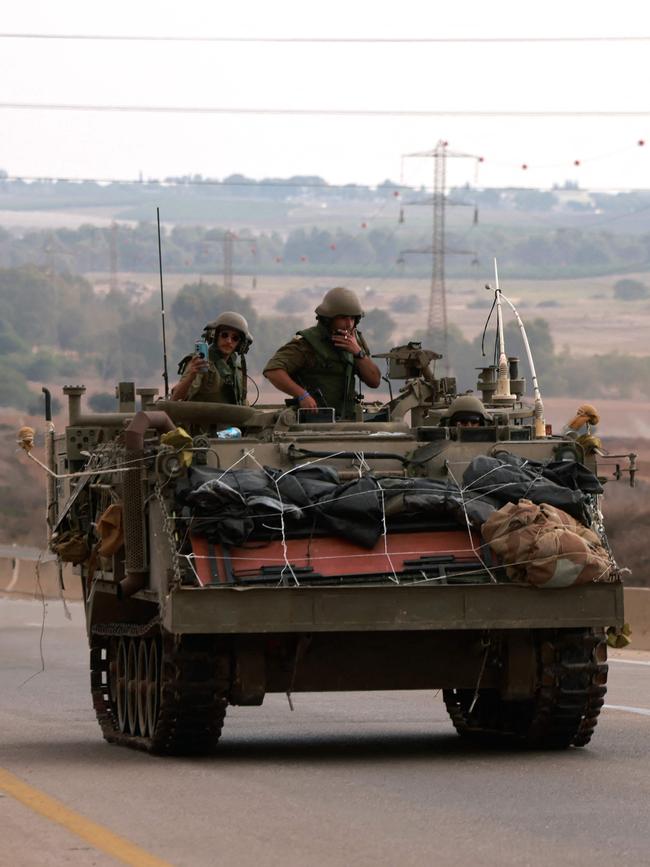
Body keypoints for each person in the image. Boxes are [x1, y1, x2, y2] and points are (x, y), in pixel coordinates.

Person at [263, 286, 381, 419]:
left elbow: (374, 381)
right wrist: (302, 395)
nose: (349, 324)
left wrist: (358, 353)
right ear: (328, 319)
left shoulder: (355, 342)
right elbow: (273, 370)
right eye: (343, 318)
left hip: (347, 421)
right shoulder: (308, 343)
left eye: (352, 319)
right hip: (313, 421)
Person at [171, 311, 252, 405]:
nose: (229, 341)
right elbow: (176, 399)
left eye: (235, 338)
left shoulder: (237, 368)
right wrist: (191, 375)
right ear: (215, 336)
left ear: (240, 344)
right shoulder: (201, 362)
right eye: (224, 335)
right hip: (202, 418)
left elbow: (241, 402)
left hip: (229, 418)